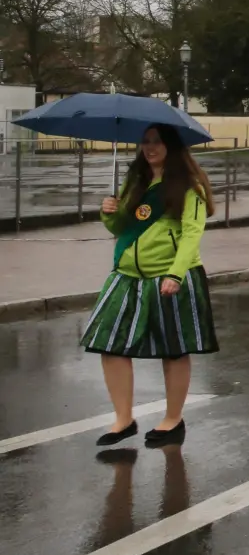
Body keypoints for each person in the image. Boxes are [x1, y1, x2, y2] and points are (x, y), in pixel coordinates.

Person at [84, 124, 218, 449]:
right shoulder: (136, 181)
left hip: (168, 276)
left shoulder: (190, 187)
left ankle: (173, 420)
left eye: (157, 141)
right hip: (127, 275)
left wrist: (175, 273)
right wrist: (109, 214)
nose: (150, 147)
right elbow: (122, 227)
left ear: (171, 146)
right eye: (145, 141)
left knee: (172, 349)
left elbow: (191, 234)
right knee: (109, 342)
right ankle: (123, 419)